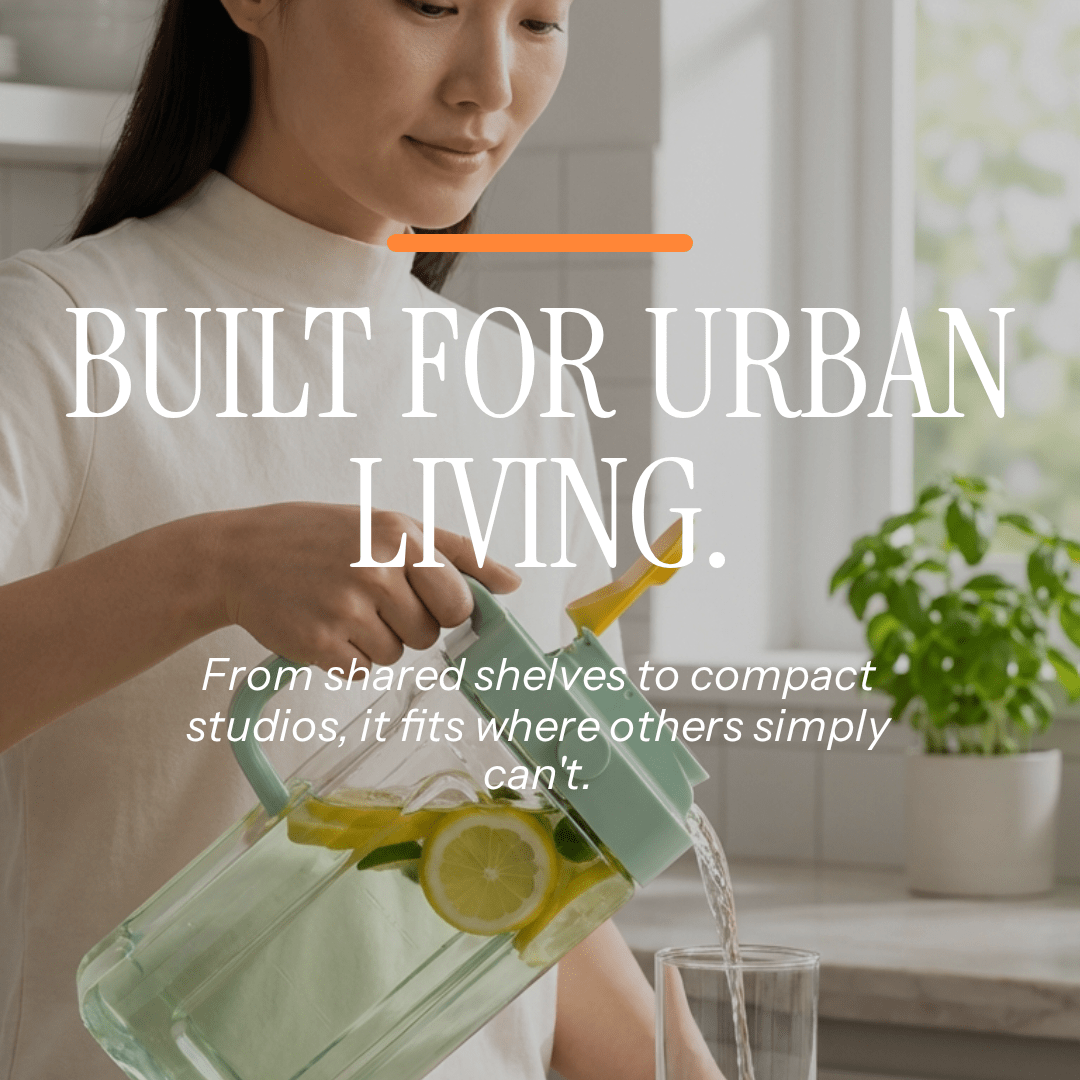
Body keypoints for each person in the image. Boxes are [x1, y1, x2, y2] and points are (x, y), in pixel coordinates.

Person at [0, 1, 671, 1079]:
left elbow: (524, 870)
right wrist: (210, 570)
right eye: (431, 4)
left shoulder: (526, 394)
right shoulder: (58, 333)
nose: (491, 84)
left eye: (539, 20)